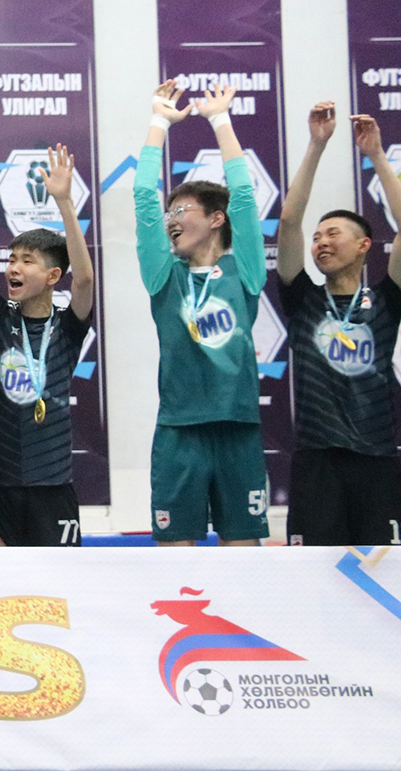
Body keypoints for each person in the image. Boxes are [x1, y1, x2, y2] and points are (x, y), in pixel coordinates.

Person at [134, 80, 268, 545]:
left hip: (239, 428)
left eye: (182, 210)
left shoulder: (244, 270)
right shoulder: (163, 276)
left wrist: (220, 120)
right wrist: (158, 121)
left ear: (215, 219)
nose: (171, 219)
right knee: (176, 553)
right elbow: (143, 199)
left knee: (243, 550)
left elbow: (243, 198)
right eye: (169, 211)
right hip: (179, 431)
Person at [0, 142, 93, 546]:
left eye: (27, 260)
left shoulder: (68, 326)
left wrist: (64, 203)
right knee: (5, 578)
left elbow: (84, 280)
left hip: (53, 482)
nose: (13, 267)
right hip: (0, 479)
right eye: (11, 259)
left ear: (52, 276)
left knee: (59, 579)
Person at [276, 105, 401, 545]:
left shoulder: (386, 299)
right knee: (313, 574)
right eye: (317, 237)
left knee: (385, 571)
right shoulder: (303, 298)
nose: (321, 243)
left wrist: (377, 155)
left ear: (365, 245)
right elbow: (289, 221)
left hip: (378, 455)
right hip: (317, 460)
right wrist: (317, 145)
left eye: (333, 234)